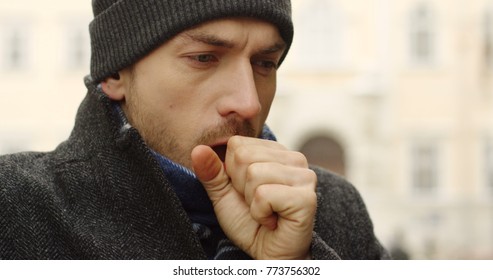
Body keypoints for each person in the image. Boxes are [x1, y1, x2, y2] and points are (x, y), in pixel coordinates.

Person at [0, 0, 389, 260]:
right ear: (115, 72)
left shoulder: (335, 209)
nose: (249, 102)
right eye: (204, 58)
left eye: (265, 64)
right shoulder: (15, 206)